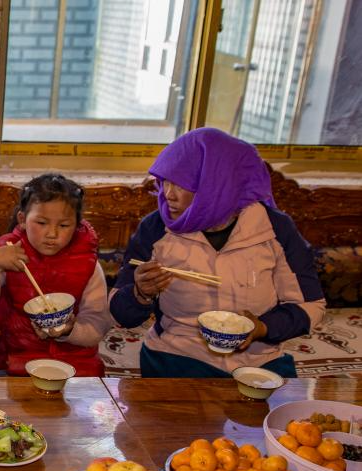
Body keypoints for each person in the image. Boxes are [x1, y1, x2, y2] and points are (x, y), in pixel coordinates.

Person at [109, 127, 325, 378]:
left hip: (259, 360)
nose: (168, 195)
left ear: (217, 184)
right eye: (165, 181)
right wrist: (140, 293)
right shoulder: (156, 227)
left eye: (181, 184)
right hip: (175, 356)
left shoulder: (274, 227)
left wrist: (263, 328)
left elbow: (311, 305)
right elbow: (120, 311)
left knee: (284, 404)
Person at [0, 174, 112, 376]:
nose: (52, 234)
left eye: (64, 225)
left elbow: (97, 325)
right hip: (16, 359)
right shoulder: (10, 252)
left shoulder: (88, 264)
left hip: (74, 365)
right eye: (41, 222)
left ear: (76, 225)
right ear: (22, 220)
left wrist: (69, 331)